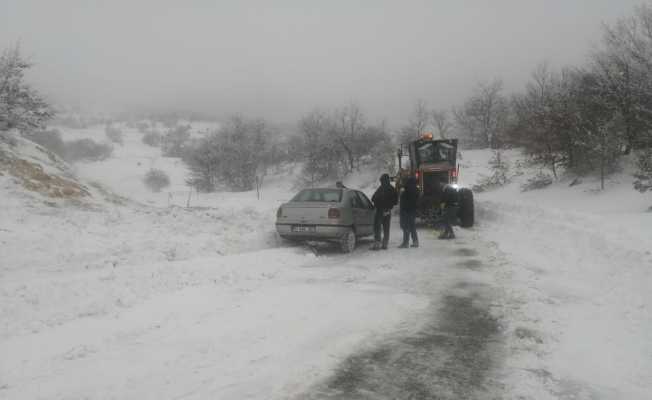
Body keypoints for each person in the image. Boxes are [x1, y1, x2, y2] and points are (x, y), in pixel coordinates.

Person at [371, 173, 398, 250]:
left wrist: (377, 201)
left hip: (379, 210)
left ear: (382, 180)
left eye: (381, 180)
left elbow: (373, 198)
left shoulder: (381, 188)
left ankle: (377, 244)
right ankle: (385, 244)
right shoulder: (392, 189)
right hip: (388, 210)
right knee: (386, 227)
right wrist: (389, 205)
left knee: (377, 227)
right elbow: (396, 201)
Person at [399, 176, 419, 248]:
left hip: (406, 211)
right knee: (412, 226)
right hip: (413, 211)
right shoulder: (416, 190)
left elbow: (403, 201)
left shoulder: (406, 189)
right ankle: (415, 241)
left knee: (406, 227)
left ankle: (405, 243)